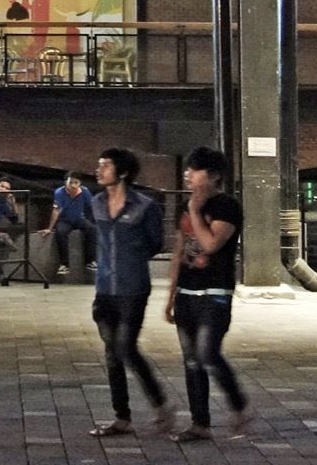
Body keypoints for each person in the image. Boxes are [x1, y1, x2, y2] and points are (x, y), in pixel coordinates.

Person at [89, 146, 173, 439]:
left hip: (133, 289)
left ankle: (160, 403)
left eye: (105, 165)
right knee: (112, 354)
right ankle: (121, 417)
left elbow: (155, 243)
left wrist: (130, 259)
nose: (99, 170)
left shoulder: (144, 207)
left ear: (123, 172)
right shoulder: (96, 203)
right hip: (104, 289)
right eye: (99, 165)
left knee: (126, 347)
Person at [164, 146, 247, 444]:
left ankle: (238, 404)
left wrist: (196, 212)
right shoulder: (184, 207)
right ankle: (200, 424)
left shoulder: (227, 206)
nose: (188, 174)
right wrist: (170, 296)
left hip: (215, 293)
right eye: (187, 169)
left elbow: (210, 244)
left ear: (213, 176)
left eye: (194, 170)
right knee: (191, 361)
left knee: (208, 354)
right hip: (186, 293)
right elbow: (179, 251)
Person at [41, 171, 96, 280]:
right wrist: (49, 228)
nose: (73, 185)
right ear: (66, 182)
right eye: (71, 182)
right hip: (65, 220)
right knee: (60, 233)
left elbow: (92, 207)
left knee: (92, 229)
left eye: (76, 182)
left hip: (79, 219)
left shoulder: (84, 191)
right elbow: (56, 210)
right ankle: (64, 264)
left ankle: (90, 261)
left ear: (80, 183)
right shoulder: (59, 192)